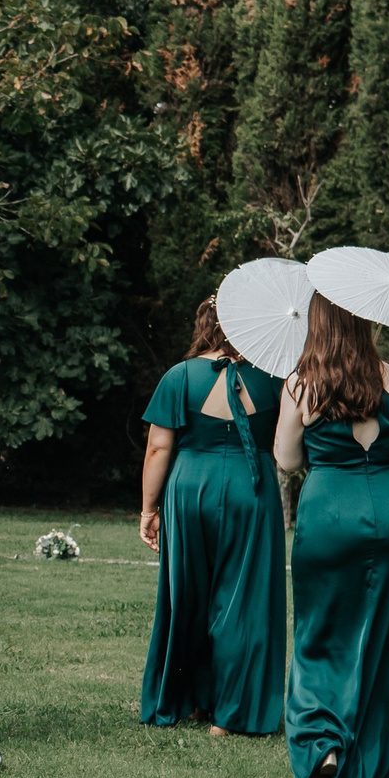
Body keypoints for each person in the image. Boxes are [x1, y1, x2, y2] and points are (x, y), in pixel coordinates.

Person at [273, 293, 389, 778]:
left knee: (319, 635)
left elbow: (286, 458)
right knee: (379, 643)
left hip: (328, 518)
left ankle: (324, 751)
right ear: (364, 323)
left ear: (317, 324)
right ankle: (364, 765)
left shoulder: (302, 383)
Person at [135, 295, 287, 736]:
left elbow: (158, 447)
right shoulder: (274, 380)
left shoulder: (180, 376)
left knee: (188, 593)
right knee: (243, 597)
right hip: (251, 485)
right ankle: (230, 712)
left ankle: (187, 699)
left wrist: (149, 508)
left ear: (203, 325)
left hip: (189, 486)